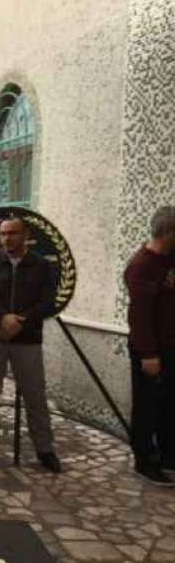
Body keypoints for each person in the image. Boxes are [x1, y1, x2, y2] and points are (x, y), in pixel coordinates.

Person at [0, 217, 61, 473]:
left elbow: (48, 302)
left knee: (35, 395)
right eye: (3, 234)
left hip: (27, 338)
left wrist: (21, 320)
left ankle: (45, 449)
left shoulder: (42, 265)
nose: (7, 238)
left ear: (26, 235)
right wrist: (2, 317)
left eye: (13, 233)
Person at [124, 205, 175, 486]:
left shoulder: (171, 258)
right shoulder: (141, 266)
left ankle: (169, 455)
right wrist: (148, 354)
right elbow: (140, 316)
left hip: (172, 346)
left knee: (169, 405)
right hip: (152, 350)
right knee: (147, 407)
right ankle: (145, 460)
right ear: (166, 232)